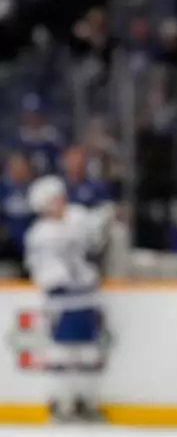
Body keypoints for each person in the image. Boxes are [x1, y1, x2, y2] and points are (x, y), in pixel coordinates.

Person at [23, 176, 109, 421]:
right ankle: (62, 402)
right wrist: (60, 280)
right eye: (55, 199)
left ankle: (85, 400)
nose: (61, 202)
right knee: (63, 352)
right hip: (62, 298)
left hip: (85, 294)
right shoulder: (40, 233)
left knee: (88, 351)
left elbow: (95, 240)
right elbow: (43, 270)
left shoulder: (76, 218)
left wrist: (104, 218)